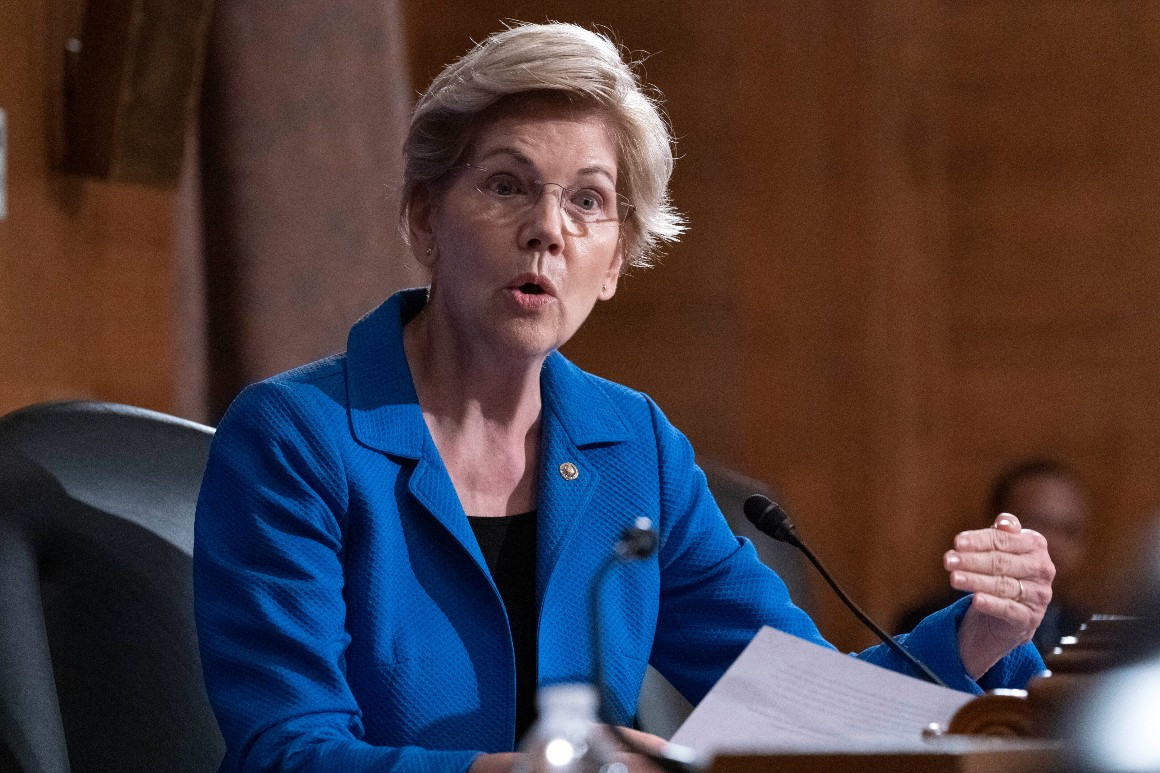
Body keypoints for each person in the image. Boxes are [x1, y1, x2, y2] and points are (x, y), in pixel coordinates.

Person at [193, 22, 1055, 773]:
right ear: (425, 220)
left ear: (613, 263)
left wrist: (978, 632)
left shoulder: (630, 445)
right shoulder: (296, 438)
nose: (548, 229)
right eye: (506, 185)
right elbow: (286, 749)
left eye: (588, 202)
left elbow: (810, 716)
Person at [896, 457, 1088, 653]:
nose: (1053, 544)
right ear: (995, 527)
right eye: (1038, 524)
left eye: (1070, 531)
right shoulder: (929, 621)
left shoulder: (1090, 630)